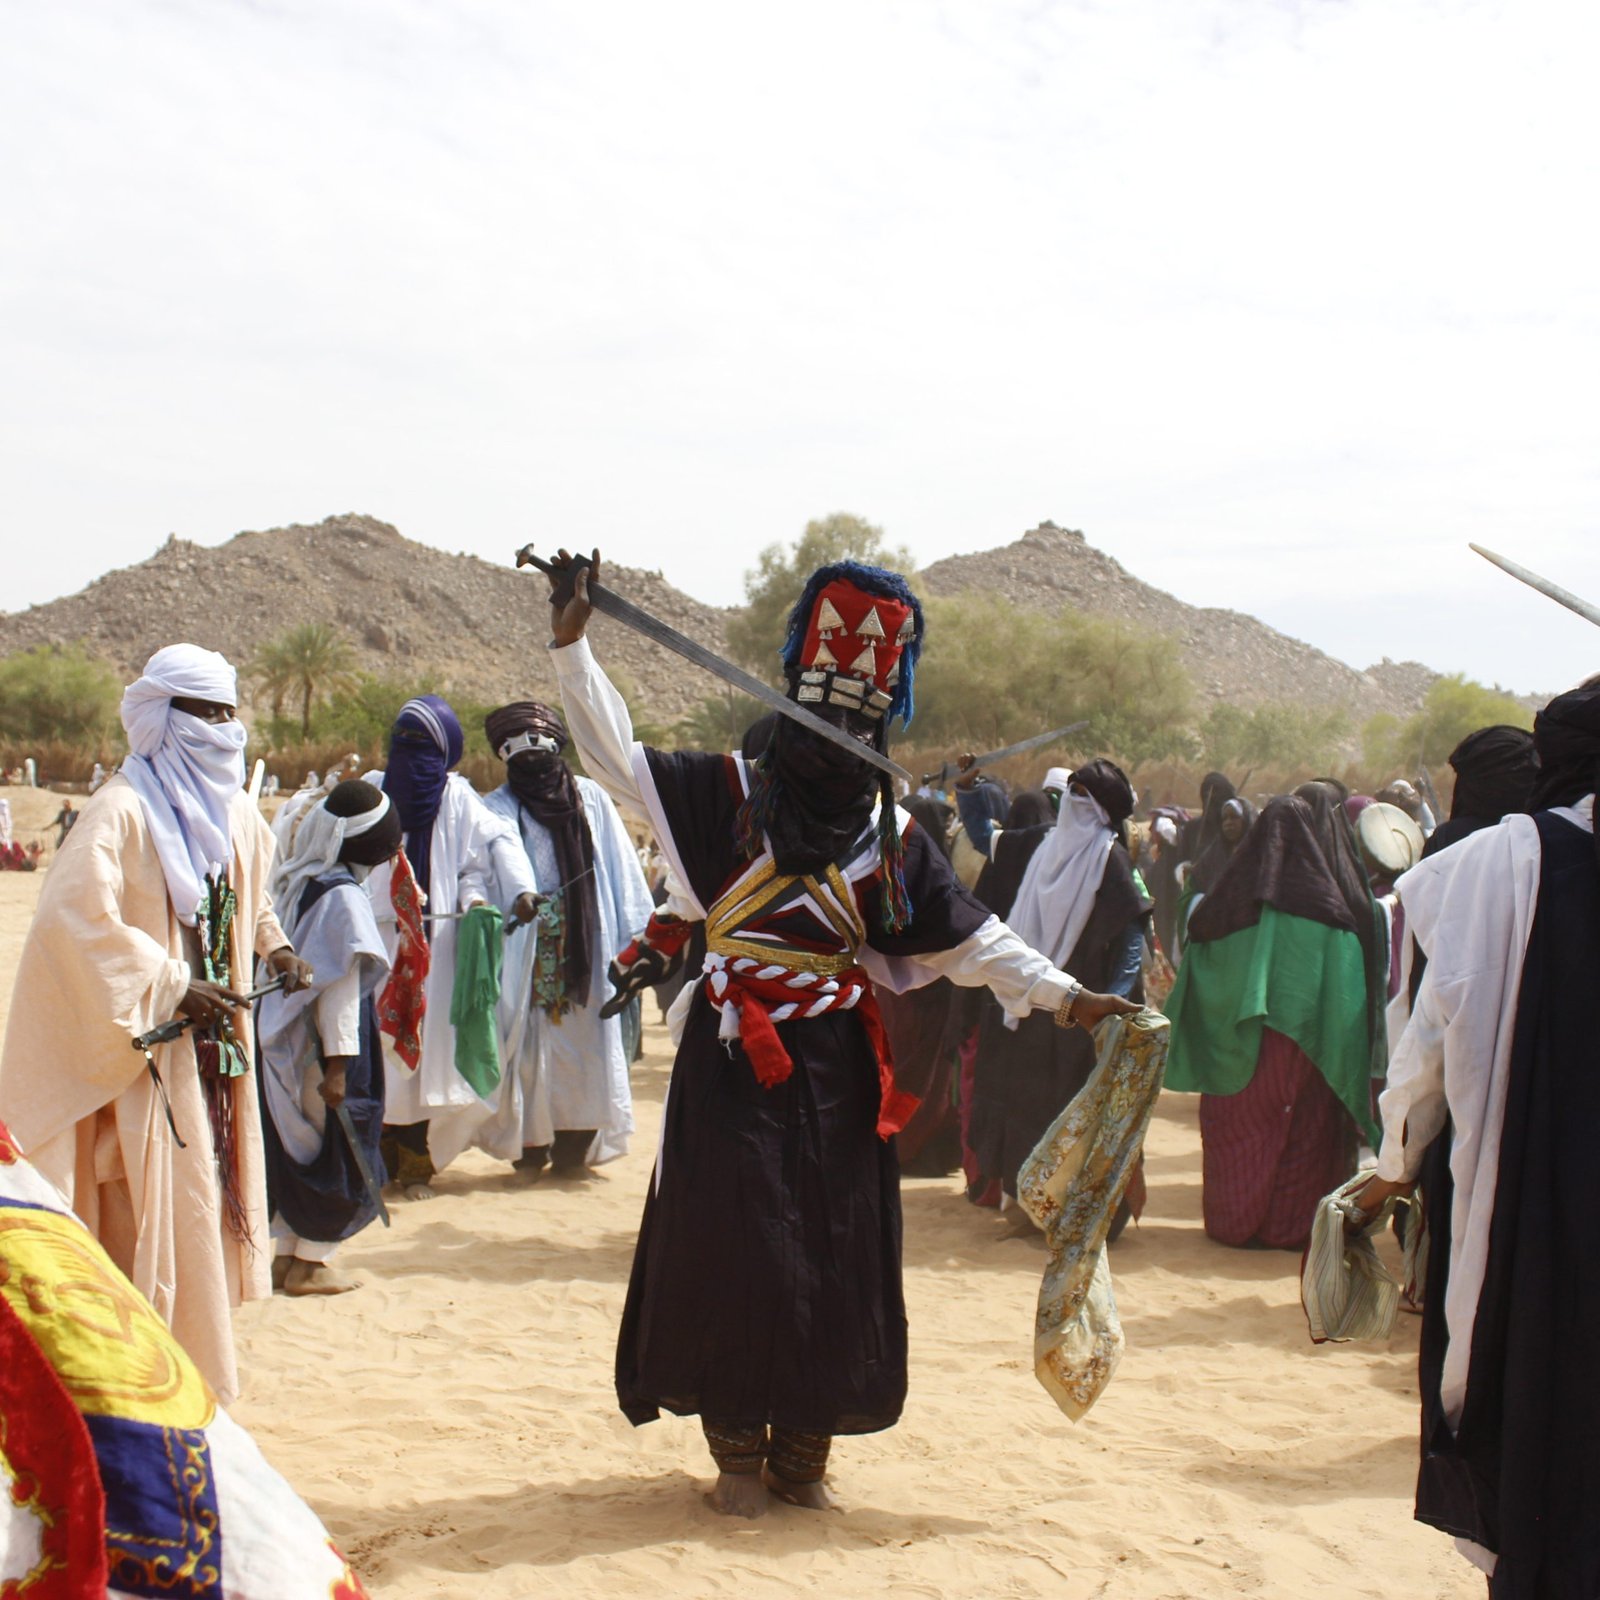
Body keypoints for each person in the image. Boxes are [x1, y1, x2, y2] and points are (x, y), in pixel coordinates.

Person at [542, 549, 1137, 1518]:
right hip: (732, 1061)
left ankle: (802, 1458)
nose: (836, 745)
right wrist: (572, 648)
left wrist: (1073, 998)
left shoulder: (887, 837)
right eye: (827, 724)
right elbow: (615, 755)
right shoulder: (722, 798)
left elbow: (978, 943)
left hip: (836, 1076)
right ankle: (736, 1454)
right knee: (730, 1246)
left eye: (856, 727)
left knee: (832, 1254)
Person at [0, 645, 311, 1402]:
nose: (225, 730)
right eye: (207, 714)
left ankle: (188, 1382)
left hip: (214, 1060)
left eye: (231, 714)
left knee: (196, 1212)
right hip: (144, 1061)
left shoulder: (235, 813)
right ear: (165, 720)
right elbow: (72, 921)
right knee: (139, 1219)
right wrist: (172, 983)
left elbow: (246, 896)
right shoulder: (121, 809)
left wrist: (277, 946)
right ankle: (128, 1388)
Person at [1348, 683, 1599, 1593]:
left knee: (1541, 1386)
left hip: (1541, 1194)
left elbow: (1429, 1035)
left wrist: (1395, 1163)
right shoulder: (1502, 861)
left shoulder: (1496, 865)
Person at [429, 701, 653, 1179]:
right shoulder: (496, 808)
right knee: (526, 1058)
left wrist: (637, 938)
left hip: (588, 947)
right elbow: (475, 871)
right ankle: (530, 1152)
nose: (532, 764)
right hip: (523, 952)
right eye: (518, 754)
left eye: (538, 749)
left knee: (587, 1054)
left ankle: (573, 1155)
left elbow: (621, 867)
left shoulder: (589, 799)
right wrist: (497, 903)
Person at [1164, 794, 1378, 1249]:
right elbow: (1346, 1004)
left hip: (1237, 1051)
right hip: (1306, 1051)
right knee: (1304, 1133)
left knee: (1236, 1132)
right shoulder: (1332, 920)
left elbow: (1193, 984)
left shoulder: (1218, 915)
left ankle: (1232, 1222)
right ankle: (1289, 1228)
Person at [364, 696, 538, 1198]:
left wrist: (508, 894)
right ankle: (377, 1165)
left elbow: (481, 859)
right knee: (379, 1053)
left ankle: (416, 1167)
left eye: (423, 745)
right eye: (405, 742)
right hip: (378, 944)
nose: (411, 755)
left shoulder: (457, 797)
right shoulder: (375, 791)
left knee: (422, 1060)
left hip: (437, 952)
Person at [967, 760, 1147, 1204]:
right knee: (1022, 1104)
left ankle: (1071, 1208)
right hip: (1029, 1002)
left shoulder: (1110, 856)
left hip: (1081, 1009)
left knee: (1072, 1107)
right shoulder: (1039, 844)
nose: (1074, 803)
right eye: (1072, 792)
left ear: (1103, 811)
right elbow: (980, 839)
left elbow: (1131, 930)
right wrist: (969, 788)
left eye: (1085, 797)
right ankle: (1022, 1201)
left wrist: (1118, 998)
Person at [257, 779, 402, 1294]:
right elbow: (339, 989)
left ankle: (288, 1258)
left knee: (305, 1150)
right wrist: (340, 1069)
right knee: (340, 1148)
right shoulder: (344, 900)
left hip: (292, 1040)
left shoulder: (304, 880)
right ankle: (312, 1266)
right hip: (329, 1048)